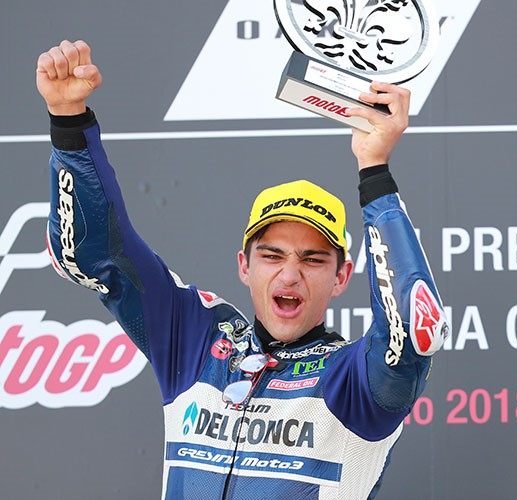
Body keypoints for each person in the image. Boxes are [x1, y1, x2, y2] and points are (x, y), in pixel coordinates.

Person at [37, 39, 448, 499]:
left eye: (312, 259)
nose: (289, 275)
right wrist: (68, 119)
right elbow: (96, 254)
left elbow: (414, 330)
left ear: (341, 276)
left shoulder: (355, 384)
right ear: (244, 266)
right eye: (272, 256)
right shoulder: (195, 342)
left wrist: (374, 169)